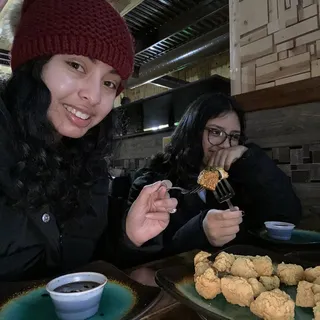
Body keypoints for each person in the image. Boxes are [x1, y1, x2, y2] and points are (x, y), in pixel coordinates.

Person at [0, 0, 177, 280]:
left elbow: (85, 270)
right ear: (34, 64)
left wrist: (129, 237)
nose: (94, 97)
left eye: (109, 83)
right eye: (76, 65)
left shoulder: (88, 165)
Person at [125, 92, 302, 264]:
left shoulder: (239, 175)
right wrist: (199, 231)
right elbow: (141, 260)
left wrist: (251, 159)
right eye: (216, 132)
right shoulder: (154, 182)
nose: (226, 145)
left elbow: (286, 218)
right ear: (192, 133)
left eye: (233, 136)